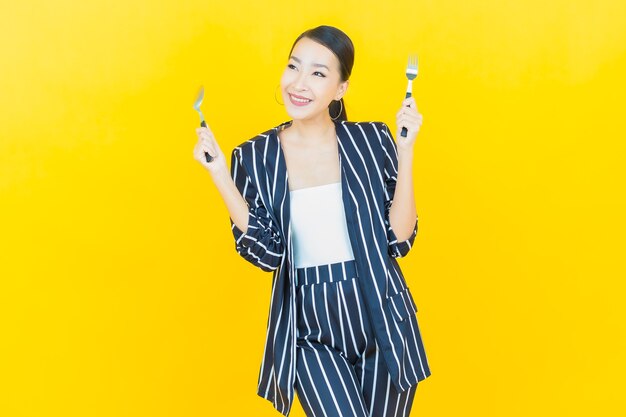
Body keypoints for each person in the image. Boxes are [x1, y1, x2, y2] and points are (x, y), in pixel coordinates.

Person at [193, 25, 431, 417]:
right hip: (307, 324)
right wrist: (219, 172)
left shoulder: (371, 141)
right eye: (293, 67)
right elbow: (267, 253)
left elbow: (399, 239)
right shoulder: (254, 156)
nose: (299, 83)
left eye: (319, 73)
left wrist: (405, 151)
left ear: (341, 89)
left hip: (382, 313)